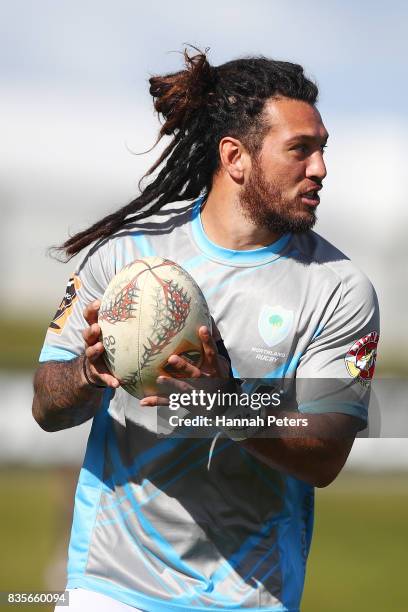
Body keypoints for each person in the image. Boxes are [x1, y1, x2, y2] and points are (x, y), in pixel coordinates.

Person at [32, 49, 379, 611]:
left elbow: (324, 455)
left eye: (322, 150)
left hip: (248, 596)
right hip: (111, 586)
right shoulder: (127, 257)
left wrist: (224, 405)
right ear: (235, 157)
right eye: (300, 149)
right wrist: (87, 372)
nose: (320, 168)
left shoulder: (338, 290)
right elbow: (47, 408)